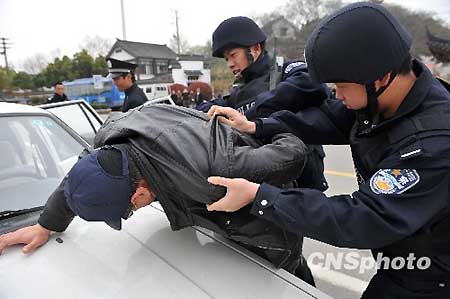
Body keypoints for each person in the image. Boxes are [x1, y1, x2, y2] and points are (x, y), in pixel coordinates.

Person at [205, 2, 450, 298]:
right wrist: (257, 126)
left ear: (380, 78)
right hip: (402, 257)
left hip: (430, 276)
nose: (337, 93)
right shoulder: (387, 100)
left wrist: (261, 197)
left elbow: (364, 216)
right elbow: (329, 118)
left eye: (341, 85)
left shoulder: (432, 143)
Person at [0, 104, 313, 282]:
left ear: (138, 194)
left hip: (267, 238)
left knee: (293, 282)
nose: (131, 213)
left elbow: (294, 154)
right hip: (216, 223)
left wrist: (256, 126)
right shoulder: (111, 138)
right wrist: (46, 225)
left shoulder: (215, 174)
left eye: (128, 211)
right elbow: (76, 177)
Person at [199, 15, 330, 192]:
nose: (229, 64)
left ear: (255, 48)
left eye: (232, 55)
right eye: (226, 59)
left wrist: (253, 113)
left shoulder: (287, 70)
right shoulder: (239, 91)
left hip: (302, 185)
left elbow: (314, 84)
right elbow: (217, 105)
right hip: (261, 188)